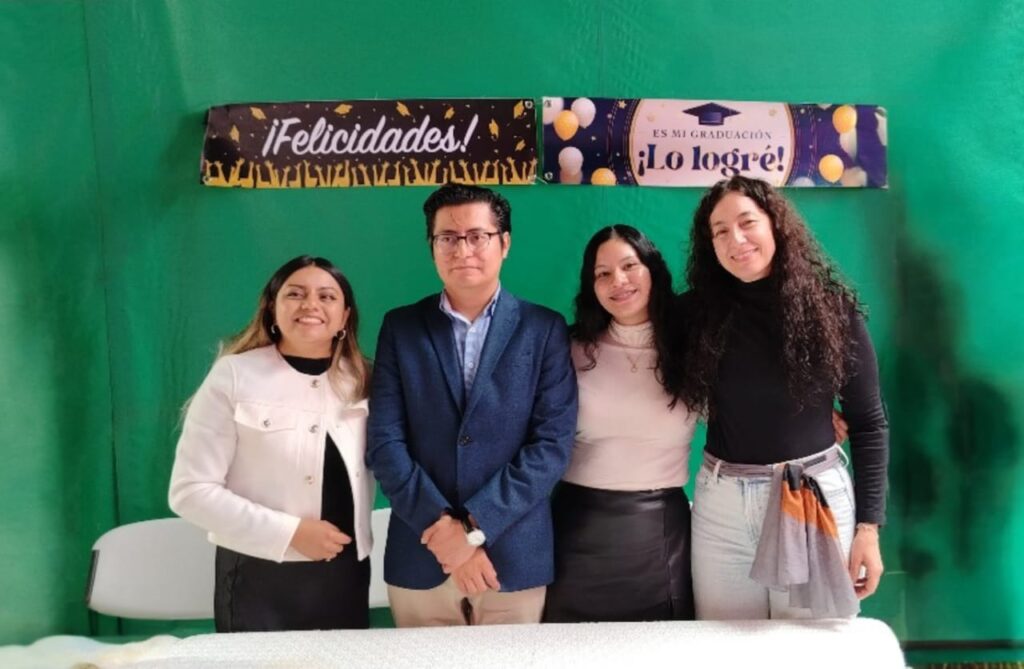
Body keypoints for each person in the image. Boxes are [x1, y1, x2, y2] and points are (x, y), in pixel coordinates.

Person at [366, 183, 578, 627]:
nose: (463, 250)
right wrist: (445, 533)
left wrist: (472, 529)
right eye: (448, 237)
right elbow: (385, 442)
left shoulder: (544, 329)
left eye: (478, 236)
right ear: (432, 247)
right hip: (422, 551)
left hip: (513, 555)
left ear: (505, 243)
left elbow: (550, 446)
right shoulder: (401, 327)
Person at [678, 176, 888, 620]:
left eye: (747, 222)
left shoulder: (832, 311)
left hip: (812, 497)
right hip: (722, 507)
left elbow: (869, 424)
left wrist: (868, 529)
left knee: (811, 648)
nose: (735, 240)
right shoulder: (695, 314)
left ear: (775, 224)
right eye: (720, 231)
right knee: (723, 645)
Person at [169, 255, 374, 631]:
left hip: (345, 575)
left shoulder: (364, 379)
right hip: (257, 574)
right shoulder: (234, 375)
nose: (311, 304)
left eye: (327, 296)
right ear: (271, 309)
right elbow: (190, 491)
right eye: (295, 294)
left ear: (345, 317)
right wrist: (290, 532)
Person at [543, 225, 697, 623]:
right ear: (591, 285)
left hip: (660, 531)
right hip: (576, 528)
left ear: (652, 269)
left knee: (657, 647)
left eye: (630, 266)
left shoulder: (694, 348)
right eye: (603, 273)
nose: (619, 281)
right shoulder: (567, 347)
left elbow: (747, 404)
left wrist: (819, 415)